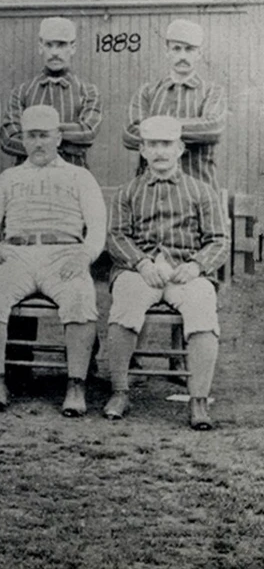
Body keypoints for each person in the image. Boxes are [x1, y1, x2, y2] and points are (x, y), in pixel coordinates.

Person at [0, 105, 106, 416]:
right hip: (17, 252)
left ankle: (75, 383)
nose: (38, 143)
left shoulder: (79, 176)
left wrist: (85, 255)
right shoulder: (9, 177)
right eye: (31, 136)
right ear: (22, 140)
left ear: (58, 138)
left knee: (80, 296)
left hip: (63, 252)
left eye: (44, 136)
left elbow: (98, 225)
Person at [105, 116, 228, 430]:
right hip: (140, 271)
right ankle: (120, 391)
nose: (160, 151)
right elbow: (117, 236)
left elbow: (219, 239)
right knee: (126, 302)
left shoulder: (201, 192)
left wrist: (197, 265)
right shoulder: (127, 192)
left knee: (202, 305)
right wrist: (142, 264)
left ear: (180, 148)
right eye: (152, 145)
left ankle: (198, 398)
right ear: (143, 150)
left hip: (184, 272)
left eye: (167, 144)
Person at [123, 19, 226, 186]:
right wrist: (183, 130)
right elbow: (129, 135)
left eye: (189, 49)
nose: (182, 56)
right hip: (151, 190)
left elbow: (213, 129)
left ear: (199, 53)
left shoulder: (212, 91)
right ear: (167, 52)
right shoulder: (147, 92)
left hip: (199, 188)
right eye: (176, 49)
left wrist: (153, 130)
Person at [0, 17, 102, 168]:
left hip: (72, 176)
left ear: (72, 48)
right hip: (29, 179)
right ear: (40, 47)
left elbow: (88, 134)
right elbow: (8, 140)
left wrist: (34, 137)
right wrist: (68, 143)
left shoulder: (88, 92)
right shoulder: (21, 92)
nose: (54, 52)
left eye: (61, 45)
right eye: (49, 45)